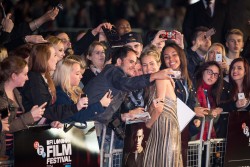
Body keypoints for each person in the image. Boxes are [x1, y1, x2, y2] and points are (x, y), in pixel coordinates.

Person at [20, 43, 88, 122]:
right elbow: (44, 110)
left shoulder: (43, 77)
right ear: (45, 59)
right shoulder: (34, 79)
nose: (57, 59)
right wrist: (75, 107)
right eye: (55, 55)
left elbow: (47, 112)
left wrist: (53, 122)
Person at [140, 46, 183, 167]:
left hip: (166, 131)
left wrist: (147, 125)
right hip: (160, 130)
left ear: (159, 64)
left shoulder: (161, 78)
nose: (148, 68)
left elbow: (158, 108)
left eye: (151, 63)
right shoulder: (152, 83)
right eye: (144, 65)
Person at [0, 56, 45, 159]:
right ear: (14, 76)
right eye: (24, 74)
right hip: (4, 153)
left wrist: (33, 117)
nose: (27, 78)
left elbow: (17, 121)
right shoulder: (1, 98)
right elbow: (5, 127)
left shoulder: (16, 93)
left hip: (16, 149)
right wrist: (29, 116)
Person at [160, 42, 195, 166]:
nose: (171, 59)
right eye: (166, 57)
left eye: (174, 55)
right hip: (168, 131)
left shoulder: (187, 77)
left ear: (181, 56)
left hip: (184, 129)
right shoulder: (163, 78)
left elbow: (191, 101)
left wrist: (194, 115)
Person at [53, 58, 112, 123]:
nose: (81, 77)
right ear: (66, 75)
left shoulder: (76, 91)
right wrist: (100, 104)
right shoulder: (60, 94)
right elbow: (77, 117)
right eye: (77, 74)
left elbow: (85, 113)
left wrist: (102, 104)